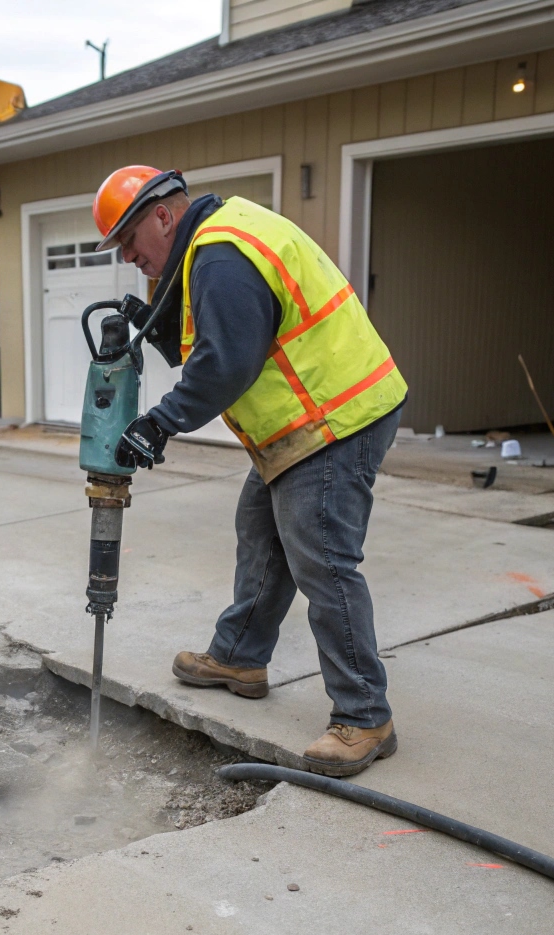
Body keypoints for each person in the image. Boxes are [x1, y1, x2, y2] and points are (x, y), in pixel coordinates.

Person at [93, 166, 408, 777]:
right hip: (303, 424)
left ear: (164, 215)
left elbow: (226, 364)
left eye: (130, 239)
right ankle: (239, 657)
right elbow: (223, 340)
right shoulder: (213, 249)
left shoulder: (220, 255)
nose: (129, 255)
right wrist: (156, 324)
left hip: (337, 417)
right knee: (261, 532)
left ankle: (366, 716)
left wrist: (158, 424)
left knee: (322, 559)